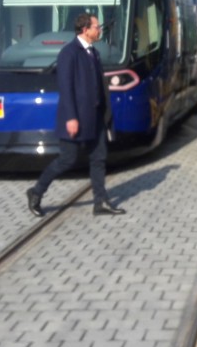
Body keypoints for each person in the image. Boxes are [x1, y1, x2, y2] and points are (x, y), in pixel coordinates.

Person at [27, 13, 126, 217]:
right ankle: (36, 192)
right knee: (67, 160)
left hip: (96, 116)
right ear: (85, 30)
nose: (99, 30)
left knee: (99, 158)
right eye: (96, 27)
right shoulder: (69, 53)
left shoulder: (94, 52)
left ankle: (101, 202)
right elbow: (66, 86)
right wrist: (71, 117)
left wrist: (106, 113)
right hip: (76, 118)